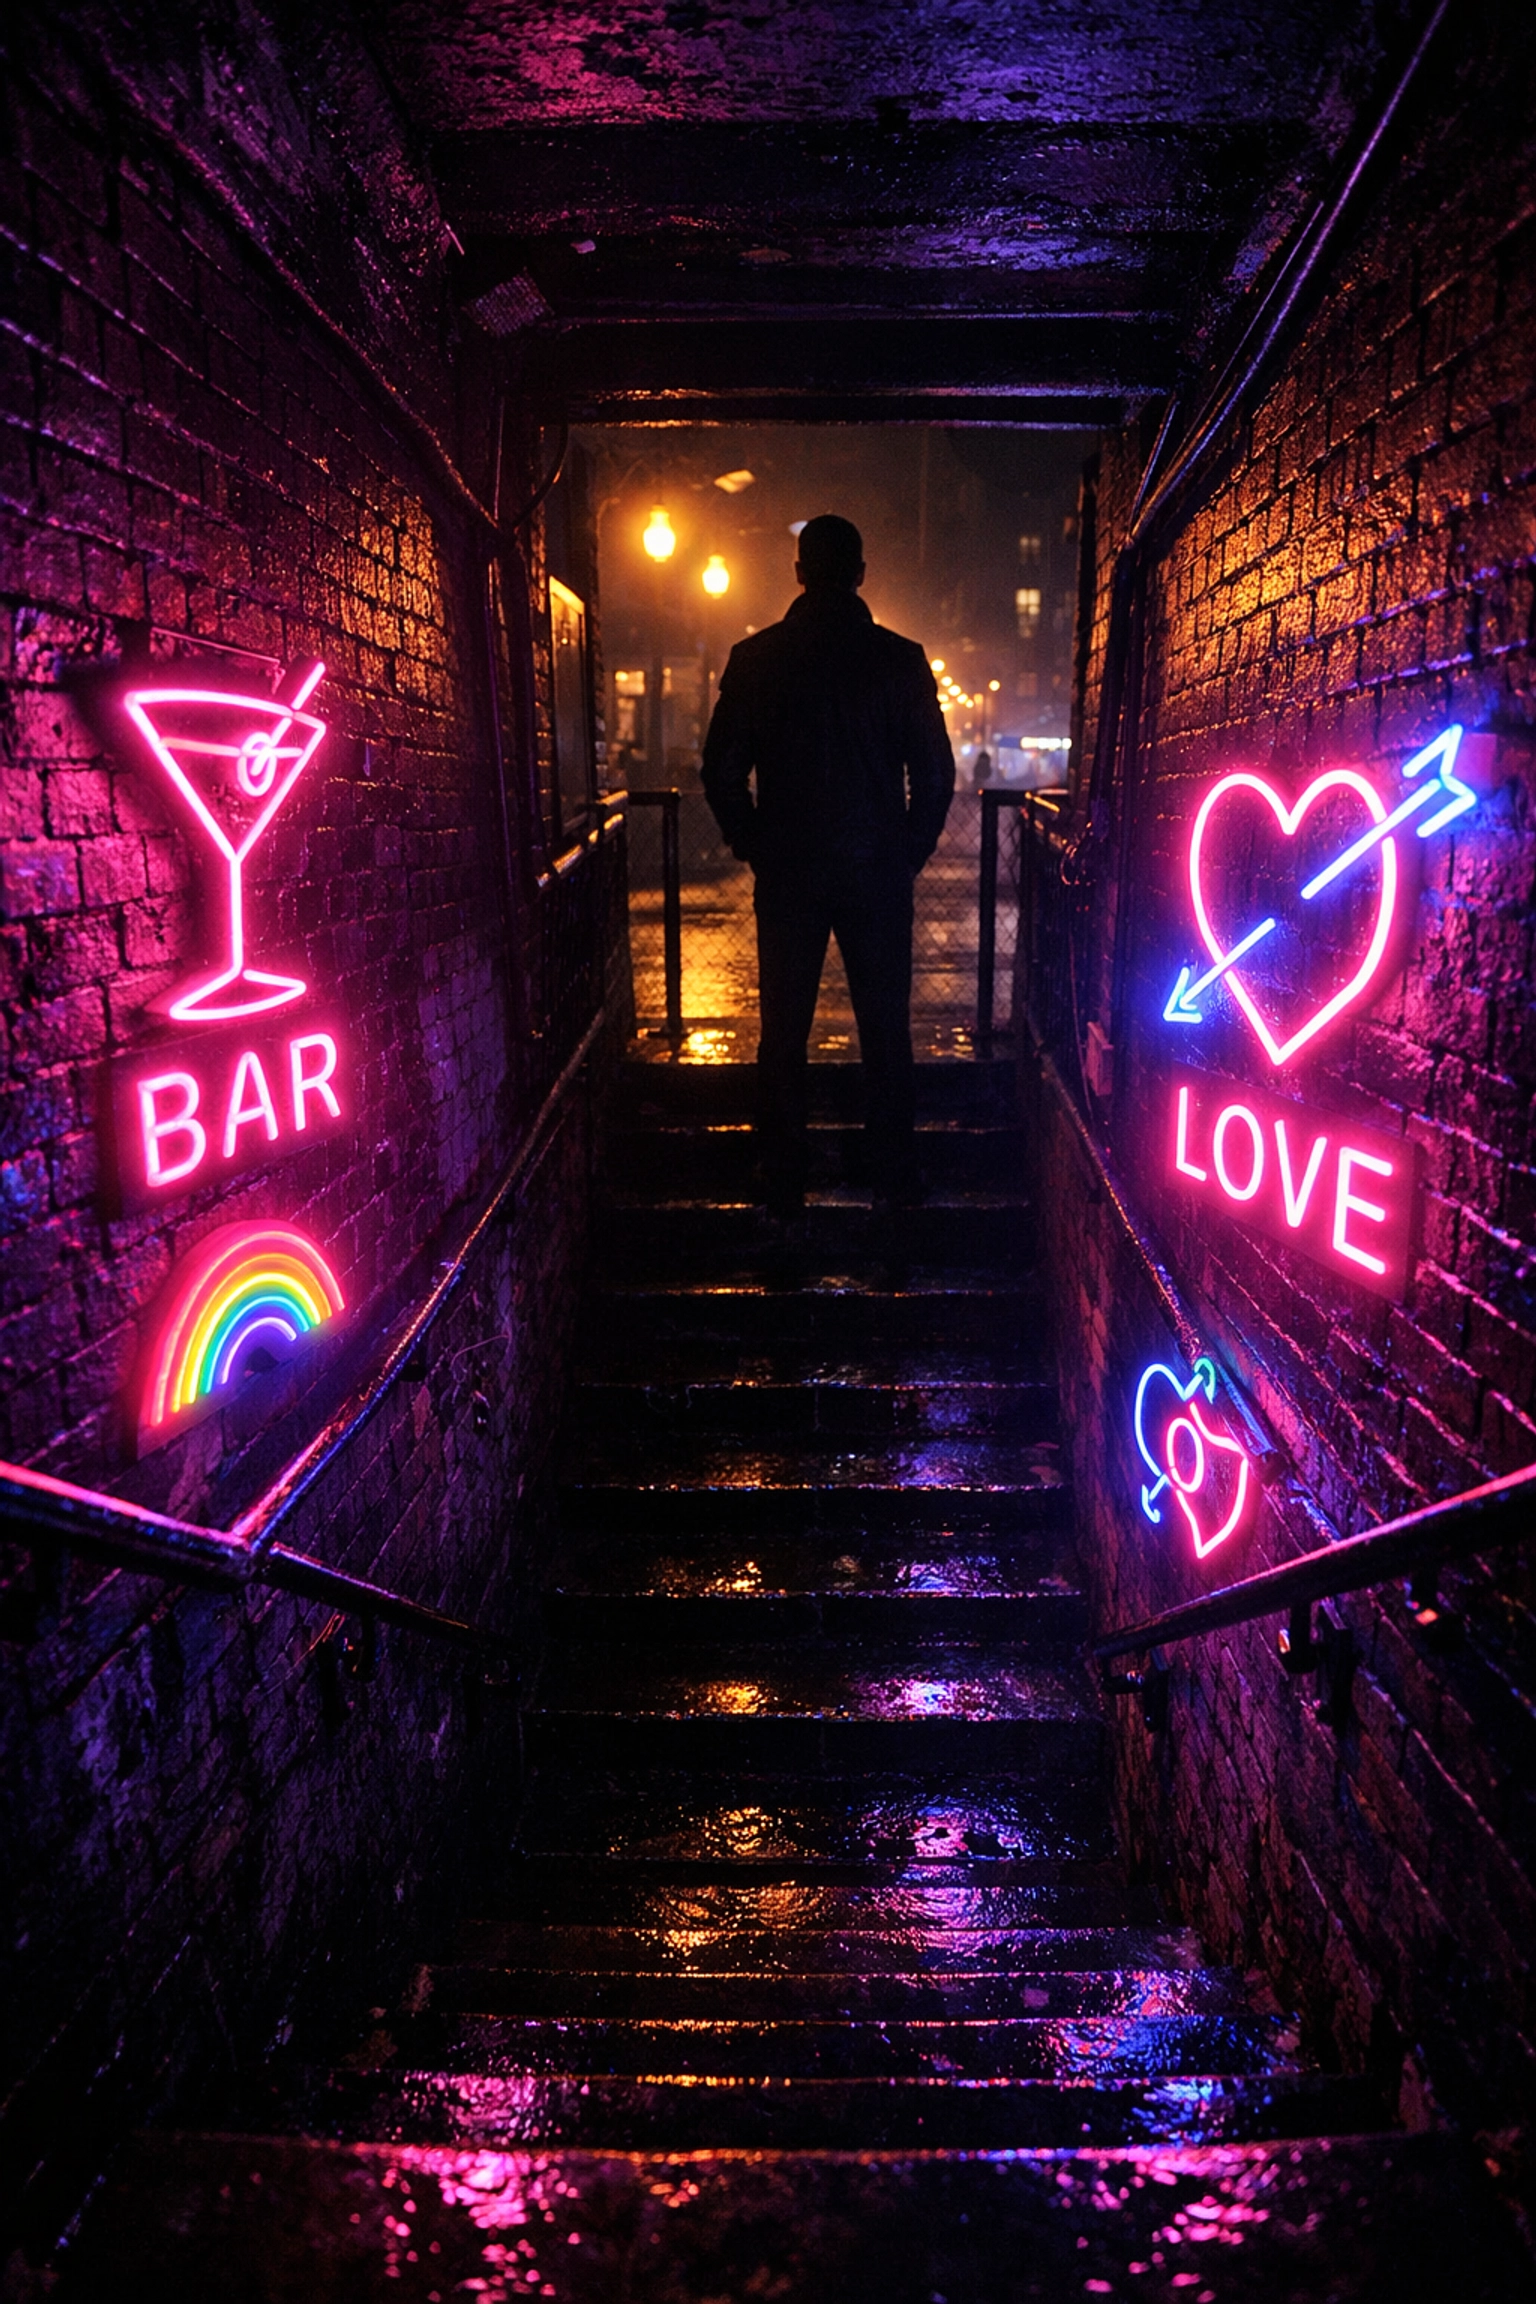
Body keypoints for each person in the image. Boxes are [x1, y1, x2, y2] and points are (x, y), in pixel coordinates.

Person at [701, 513, 955, 1214]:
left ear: (800, 573)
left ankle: (782, 1174)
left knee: (784, 1031)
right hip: (876, 870)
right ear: (861, 574)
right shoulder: (901, 661)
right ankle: (893, 1175)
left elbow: (721, 772)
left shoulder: (756, 660)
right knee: (885, 1029)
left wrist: (754, 843)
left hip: (790, 873)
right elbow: (934, 777)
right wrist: (908, 850)